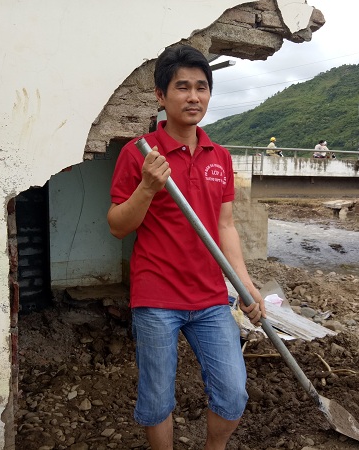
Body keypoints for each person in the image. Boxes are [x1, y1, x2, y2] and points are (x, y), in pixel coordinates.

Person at [107, 45, 265, 450]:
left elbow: (225, 226)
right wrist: (147, 187)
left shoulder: (220, 157)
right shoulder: (138, 154)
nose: (193, 96)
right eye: (182, 87)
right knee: (158, 398)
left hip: (212, 298)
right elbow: (117, 227)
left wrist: (244, 285)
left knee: (233, 393)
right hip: (157, 296)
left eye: (201, 87)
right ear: (160, 96)